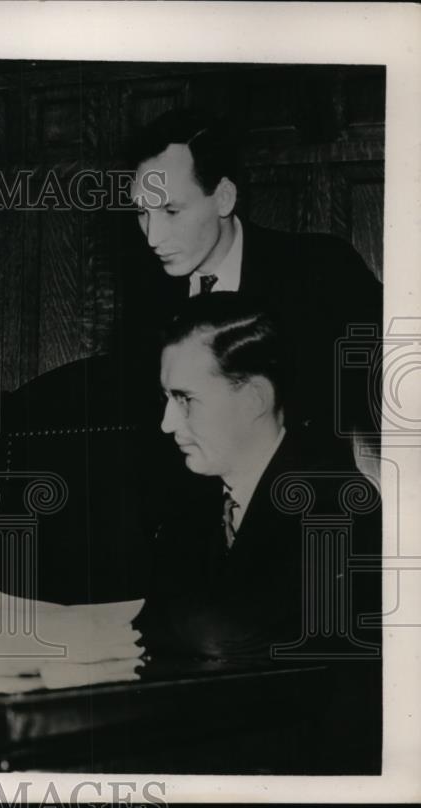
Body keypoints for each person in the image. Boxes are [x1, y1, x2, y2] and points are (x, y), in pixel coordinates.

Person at [124, 108, 382, 461]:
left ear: (224, 198)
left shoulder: (323, 269)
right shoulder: (144, 304)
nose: (153, 237)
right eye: (142, 212)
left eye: (170, 211)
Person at [136, 294, 380, 660]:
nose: (167, 423)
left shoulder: (337, 506)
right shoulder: (191, 506)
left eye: (185, 399)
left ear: (254, 399)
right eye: (166, 399)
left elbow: (222, 635)